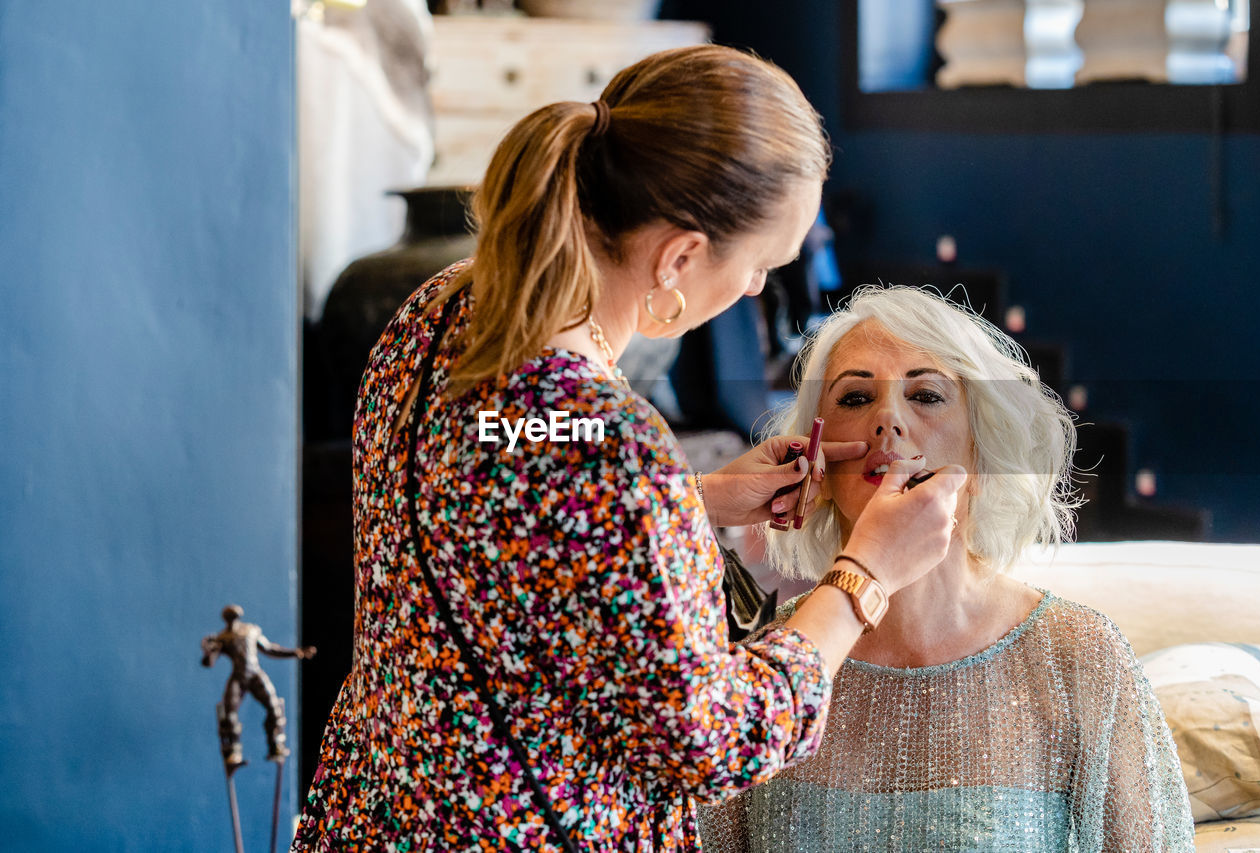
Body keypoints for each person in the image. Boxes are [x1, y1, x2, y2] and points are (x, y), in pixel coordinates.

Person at [291, 46, 967, 851]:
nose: (754, 289)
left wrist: (690, 499)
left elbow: (494, 471)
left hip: (380, 813)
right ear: (680, 256)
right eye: (758, 266)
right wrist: (864, 575)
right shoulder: (614, 444)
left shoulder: (442, 314)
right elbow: (712, 740)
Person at [696, 286, 1195, 852]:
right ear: (813, 459)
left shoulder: (1079, 658)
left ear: (982, 451)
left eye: (927, 395)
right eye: (856, 398)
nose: (887, 418)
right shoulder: (761, 667)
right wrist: (698, 500)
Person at [201, 604, 316, 769]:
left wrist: (295, 653)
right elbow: (209, 663)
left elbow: (269, 648)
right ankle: (233, 751)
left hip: (255, 674)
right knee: (229, 713)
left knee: (273, 707)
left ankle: (275, 744)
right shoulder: (223, 638)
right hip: (238, 677)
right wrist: (208, 650)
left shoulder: (250, 631)